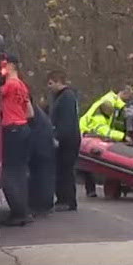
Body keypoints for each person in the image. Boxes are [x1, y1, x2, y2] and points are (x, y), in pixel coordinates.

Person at [0, 56, 33, 227]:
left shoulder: (9, 85)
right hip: (22, 128)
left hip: (11, 128)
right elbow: (29, 112)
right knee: (19, 172)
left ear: (10, 66)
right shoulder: (21, 85)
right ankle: (23, 210)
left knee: (9, 173)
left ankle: (18, 212)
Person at [47, 71, 81, 211]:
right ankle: (64, 199)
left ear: (58, 81)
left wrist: (58, 138)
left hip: (67, 140)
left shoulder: (66, 98)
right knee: (63, 170)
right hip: (67, 138)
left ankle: (67, 200)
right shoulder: (62, 97)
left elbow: (66, 122)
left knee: (65, 170)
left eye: (50, 83)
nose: (48, 87)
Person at [28, 98, 57, 216]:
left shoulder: (31, 109)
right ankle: (44, 204)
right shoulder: (40, 113)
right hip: (44, 140)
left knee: (40, 174)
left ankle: (41, 206)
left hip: (41, 142)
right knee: (43, 173)